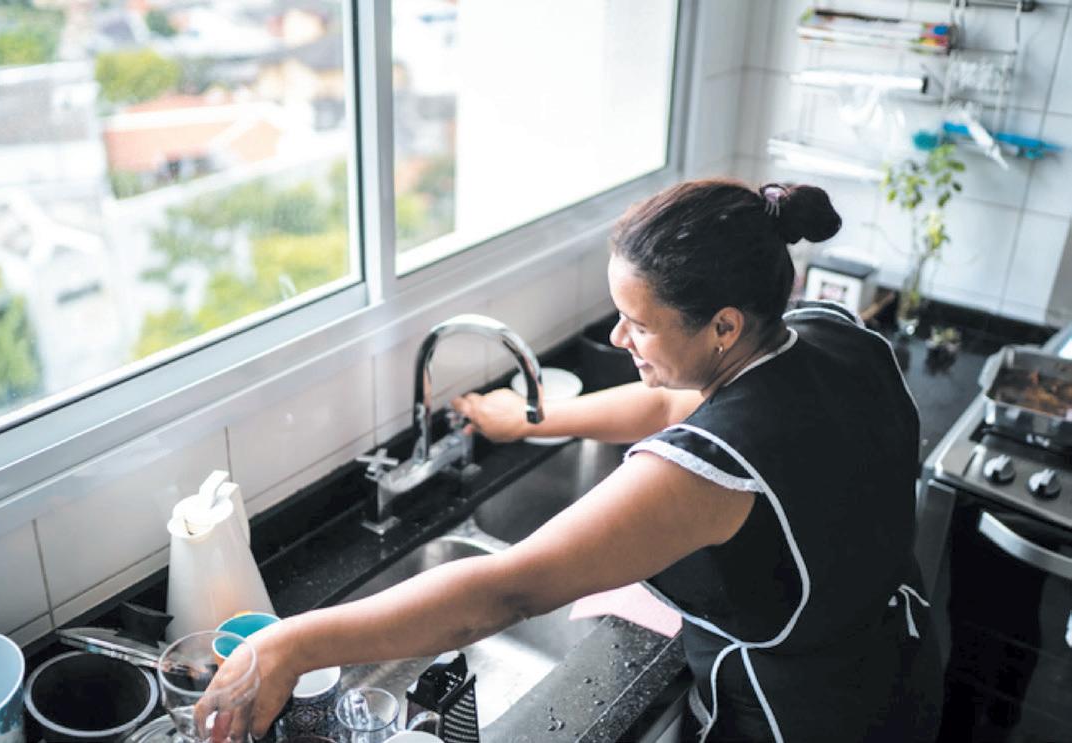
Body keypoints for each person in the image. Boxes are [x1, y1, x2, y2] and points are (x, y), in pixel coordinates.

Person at [208, 179, 942, 742]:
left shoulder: (704, 473)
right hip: (899, 664)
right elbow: (671, 404)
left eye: (639, 324)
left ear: (723, 325)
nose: (619, 338)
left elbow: (507, 592)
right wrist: (530, 418)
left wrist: (291, 644)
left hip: (797, 718)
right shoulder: (834, 336)